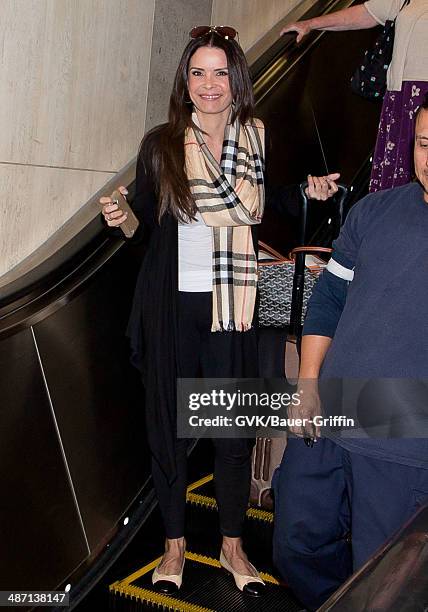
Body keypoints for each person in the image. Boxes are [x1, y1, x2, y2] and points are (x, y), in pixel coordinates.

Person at [100, 25, 339, 596]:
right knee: (169, 428)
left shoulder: (253, 137)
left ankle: (232, 544)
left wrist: (306, 192)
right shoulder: (161, 144)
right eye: (199, 73)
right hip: (173, 306)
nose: (209, 84)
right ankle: (175, 545)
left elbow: (261, 205)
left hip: (232, 307)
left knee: (231, 429)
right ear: (186, 81)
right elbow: (142, 218)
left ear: (237, 81)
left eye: (220, 72)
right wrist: (120, 218)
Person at [272, 93, 428, 611]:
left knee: (383, 582)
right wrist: (308, 383)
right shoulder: (375, 211)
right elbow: (329, 299)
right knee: (294, 543)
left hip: (403, 441)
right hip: (330, 415)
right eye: (425, 143)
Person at [281, 0, 428, 193]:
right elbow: (368, 13)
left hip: (423, 100)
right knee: (395, 192)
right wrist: (310, 24)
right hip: (400, 99)